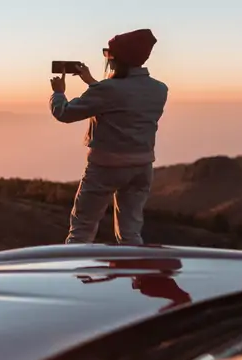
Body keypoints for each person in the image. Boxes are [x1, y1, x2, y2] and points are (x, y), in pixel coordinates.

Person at [49, 28, 168, 245]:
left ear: (118, 58)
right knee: (130, 233)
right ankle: (135, 275)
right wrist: (94, 83)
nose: (107, 58)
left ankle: (73, 276)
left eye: (108, 54)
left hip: (105, 167)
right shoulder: (160, 89)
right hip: (142, 167)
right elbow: (124, 102)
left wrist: (58, 93)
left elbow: (64, 113)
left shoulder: (107, 90)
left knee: (82, 230)